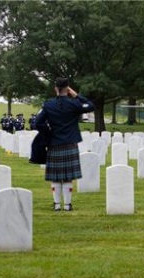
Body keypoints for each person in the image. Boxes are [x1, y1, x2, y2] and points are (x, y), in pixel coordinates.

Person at [35, 77, 95, 211]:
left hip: (54, 143)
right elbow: (91, 106)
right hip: (70, 143)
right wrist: (76, 95)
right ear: (68, 89)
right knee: (68, 177)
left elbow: (37, 123)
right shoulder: (74, 104)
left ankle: (57, 205)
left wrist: (48, 133)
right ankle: (67, 205)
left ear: (55, 88)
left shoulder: (48, 104)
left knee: (55, 177)